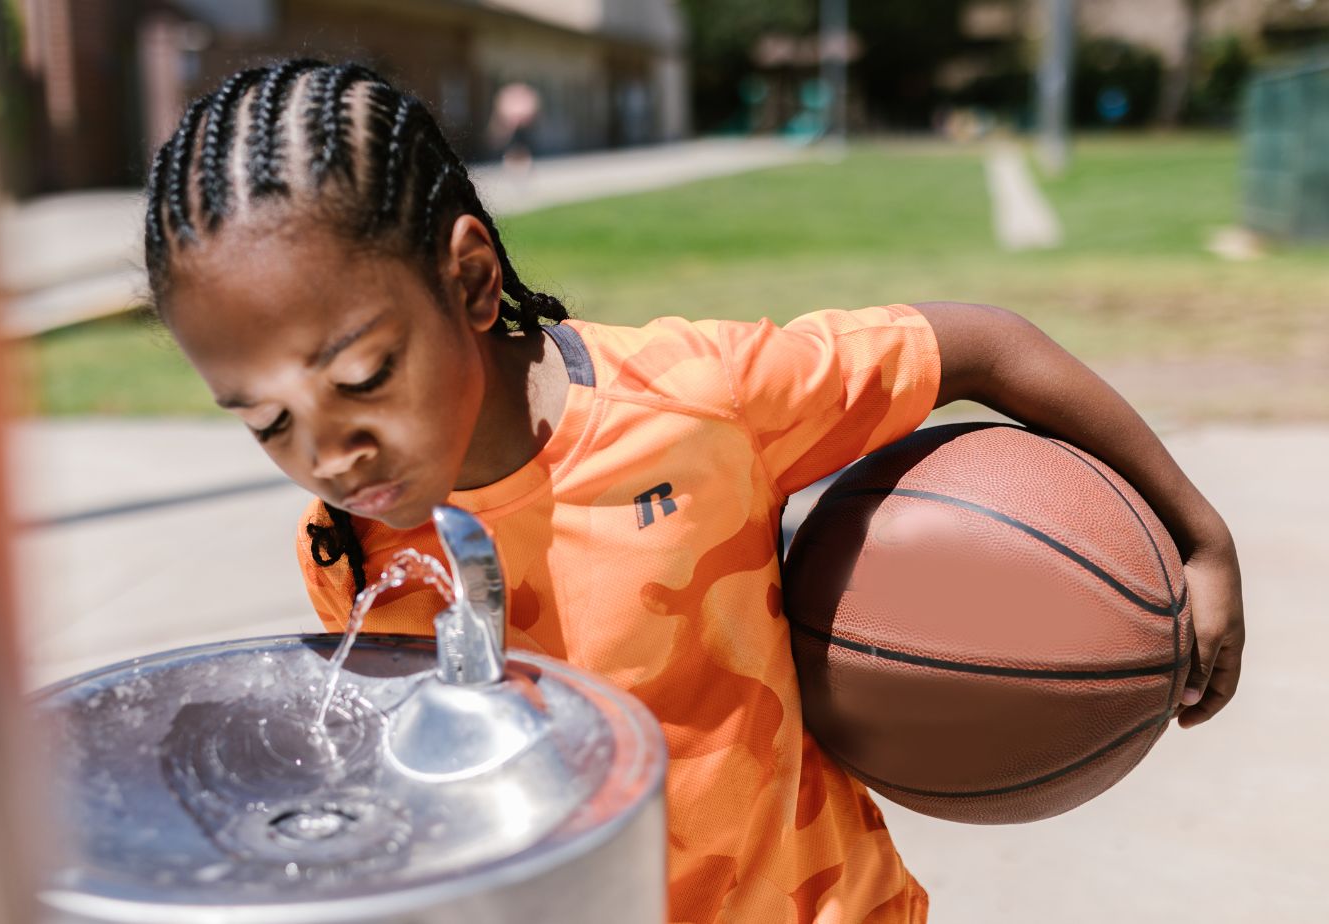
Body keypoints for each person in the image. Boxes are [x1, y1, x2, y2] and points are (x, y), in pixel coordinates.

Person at [140, 58, 1245, 923]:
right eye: (267, 421)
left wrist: (1198, 541)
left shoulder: (698, 403)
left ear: (470, 280)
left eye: (362, 378)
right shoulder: (354, 553)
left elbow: (987, 349)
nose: (329, 454)